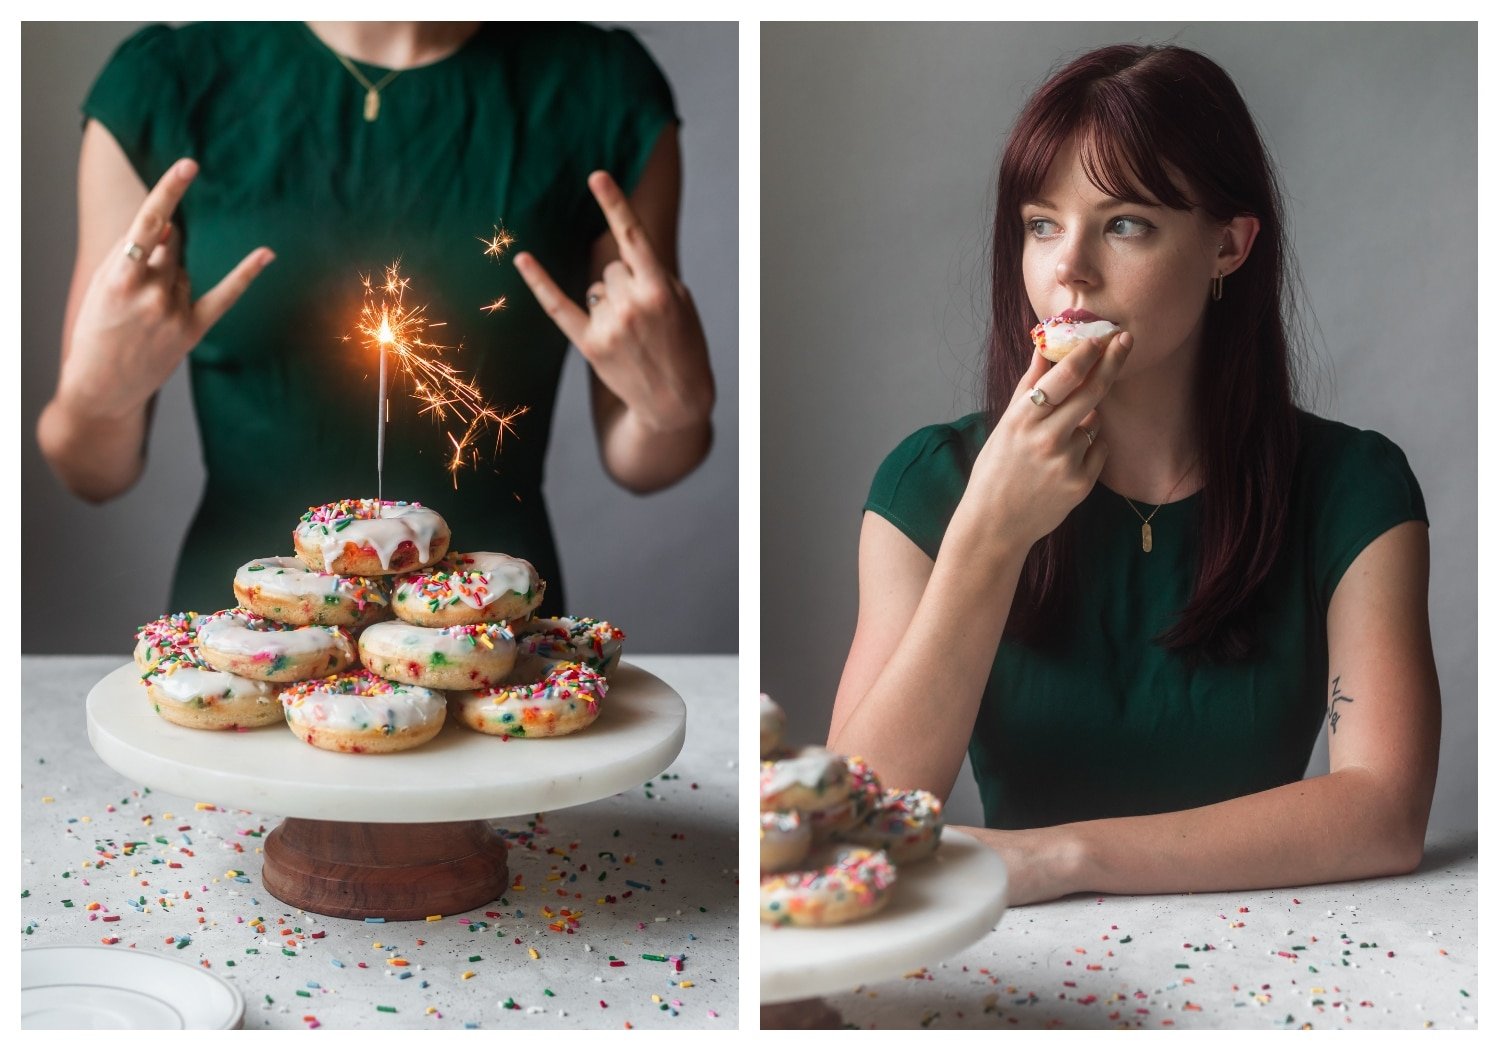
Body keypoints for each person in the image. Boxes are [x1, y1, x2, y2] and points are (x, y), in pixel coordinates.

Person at [826, 44, 1440, 906]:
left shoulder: (1354, 491)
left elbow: (1384, 813)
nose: (1067, 267)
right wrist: (989, 534)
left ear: (1228, 245)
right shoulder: (926, 485)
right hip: (1017, 978)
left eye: (1124, 224)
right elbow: (851, 826)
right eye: (1042, 224)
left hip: (1275, 965)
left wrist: (1063, 859)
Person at [36, 22, 715, 617]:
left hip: (492, 632)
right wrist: (99, 397)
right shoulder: (162, 84)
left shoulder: (600, 89)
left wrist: (673, 412)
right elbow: (92, 473)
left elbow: (647, 463)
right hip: (237, 633)